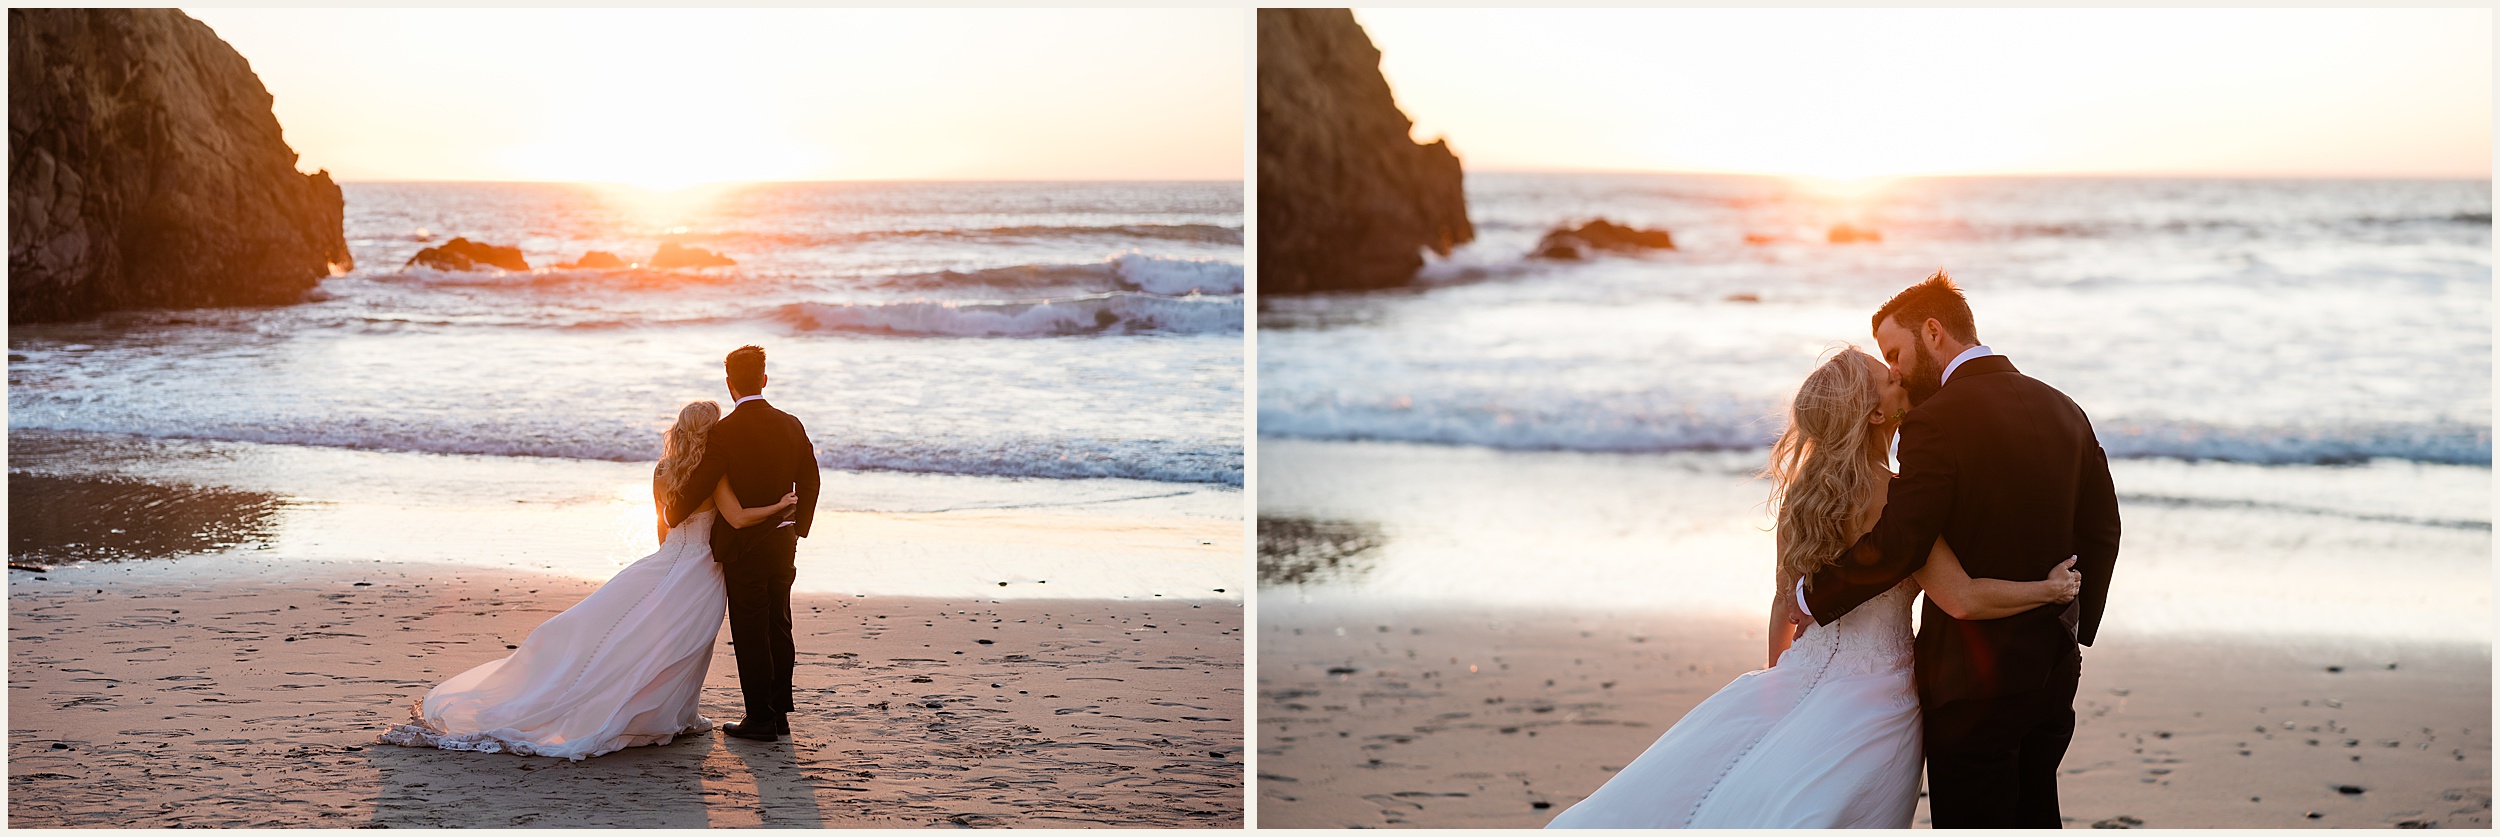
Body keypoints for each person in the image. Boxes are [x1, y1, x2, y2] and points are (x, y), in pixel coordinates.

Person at [1547, 340, 2087, 827]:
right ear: (1877, 412)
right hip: (1879, 701)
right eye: (1891, 379)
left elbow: (1784, 606)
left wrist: (1778, 691)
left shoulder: (1802, 494)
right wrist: (2050, 590)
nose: (1904, 377)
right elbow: (1962, 599)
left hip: (1801, 677)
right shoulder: (1896, 500)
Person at [1795, 271, 2121, 827]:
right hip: (2054, 669)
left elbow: (1903, 540)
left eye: (1895, 352)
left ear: (1933, 331)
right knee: (2037, 815)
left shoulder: (1932, 423)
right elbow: (2103, 530)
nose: (1894, 370)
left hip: (1972, 684)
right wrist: (2072, 623)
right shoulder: (2064, 407)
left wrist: (1813, 595)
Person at [378, 400, 797, 760]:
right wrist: (780, 505)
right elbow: (739, 517)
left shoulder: (662, 469)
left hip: (667, 559)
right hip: (700, 569)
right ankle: (671, 714)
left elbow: (663, 529)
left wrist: (665, 561)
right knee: (685, 645)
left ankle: (672, 714)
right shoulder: (714, 473)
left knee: (649, 638)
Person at [661, 344, 821, 741]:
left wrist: (675, 511)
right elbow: (812, 478)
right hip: (783, 542)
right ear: (764, 380)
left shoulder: (725, 432)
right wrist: (798, 528)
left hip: (743, 545)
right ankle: (779, 713)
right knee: (779, 623)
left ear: (729, 383)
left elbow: (703, 480)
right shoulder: (791, 424)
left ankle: (760, 719)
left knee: (751, 630)